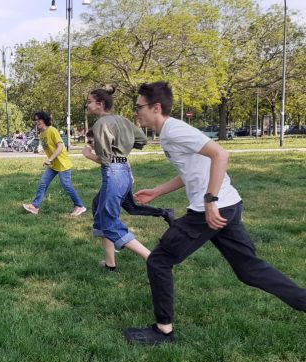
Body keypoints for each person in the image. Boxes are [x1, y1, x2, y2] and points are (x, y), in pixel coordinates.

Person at [123, 81, 306, 345]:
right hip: (228, 206)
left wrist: (210, 200)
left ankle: (163, 331)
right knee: (248, 269)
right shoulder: (168, 133)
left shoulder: (174, 130)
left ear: (156, 107)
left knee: (158, 261)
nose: (136, 112)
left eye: (138, 107)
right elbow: (192, 170)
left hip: (209, 210)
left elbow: (220, 154)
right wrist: (158, 191)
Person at [80, 89, 160, 271]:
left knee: (109, 221)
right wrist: (122, 145)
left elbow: (105, 159)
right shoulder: (123, 120)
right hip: (123, 170)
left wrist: (88, 155)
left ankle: (153, 259)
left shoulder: (101, 124)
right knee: (100, 212)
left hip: (113, 172)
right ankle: (110, 264)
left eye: (89, 102)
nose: (87, 105)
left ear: (100, 104)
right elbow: (141, 140)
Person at [82, 129, 175, 237]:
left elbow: (109, 161)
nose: (89, 145)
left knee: (100, 204)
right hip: (121, 179)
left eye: (90, 142)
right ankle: (165, 213)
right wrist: (129, 174)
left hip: (117, 181)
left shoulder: (106, 147)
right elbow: (123, 159)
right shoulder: (108, 146)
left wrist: (88, 155)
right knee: (132, 208)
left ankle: (107, 231)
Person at [22, 111, 87, 216]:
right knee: (43, 183)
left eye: (39, 119)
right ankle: (34, 206)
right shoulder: (42, 134)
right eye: (36, 120)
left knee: (66, 186)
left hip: (62, 163)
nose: (37, 122)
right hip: (53, 165)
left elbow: (60, 146)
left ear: (44, 120)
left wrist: (50, 159)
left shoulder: (52, 130)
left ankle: (79, 206)